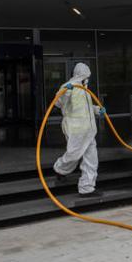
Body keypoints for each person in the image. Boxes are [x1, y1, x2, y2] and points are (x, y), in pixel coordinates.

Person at [53, 62, 106, 198]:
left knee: (91, 159)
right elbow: (58, 103)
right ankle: (60, 169)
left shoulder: (85, 89)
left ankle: (87, 188)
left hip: (89, 130)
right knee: (74, 155)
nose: (87, 79)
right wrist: (67, 92)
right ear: (79, 75)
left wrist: (97, 110)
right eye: (85, 76)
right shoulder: (67, 87)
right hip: (75, 128)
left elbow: (85, 107)